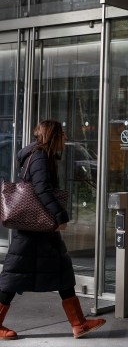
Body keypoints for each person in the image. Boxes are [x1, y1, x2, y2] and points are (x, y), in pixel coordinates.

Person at [0, 120, 105, 339]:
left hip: (40, 231)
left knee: (62, 272)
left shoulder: (39, 155)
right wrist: (60, 216)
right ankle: (78, 323)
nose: (65, 139)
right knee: (13, 276)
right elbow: (42, 189)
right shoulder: (39, 157)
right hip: (33, 231)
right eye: (62, 134)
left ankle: (79, 324)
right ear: (53, 136)